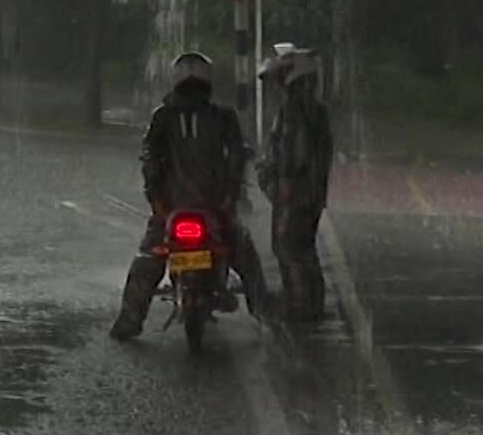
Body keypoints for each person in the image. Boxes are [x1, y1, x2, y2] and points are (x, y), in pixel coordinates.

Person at [110, 51, 271, 339]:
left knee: (147, 262)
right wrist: (230, 196)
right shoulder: (221, 116)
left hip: (173, 208)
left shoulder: (163, 116)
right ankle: (266, 318)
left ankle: (129, 321)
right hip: (212, 207)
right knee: (247, 260)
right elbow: (236, 154)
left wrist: (157, 200)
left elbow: (149, 158)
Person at [256, 45, 335, 321]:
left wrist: (283, 183)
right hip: (311, 193)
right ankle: (311, 301)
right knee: (303, 248)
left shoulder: (295, 111)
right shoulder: (316, 109)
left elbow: (294, 154)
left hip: (294, 193)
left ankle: (300, 304)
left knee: (289, 248)